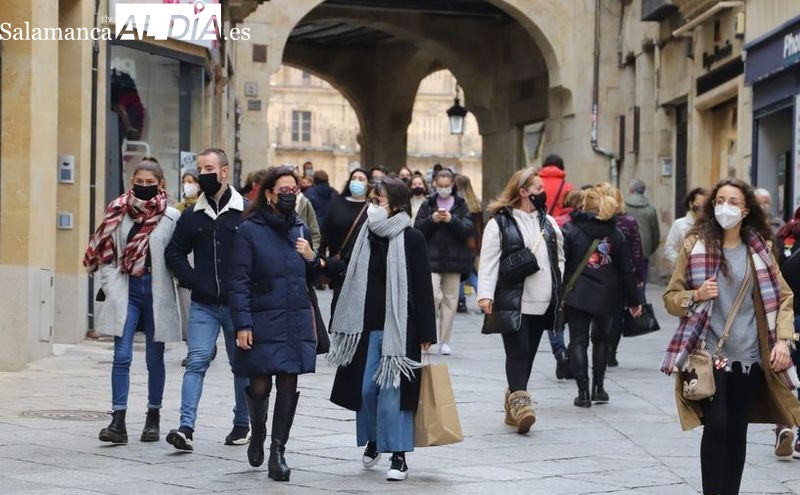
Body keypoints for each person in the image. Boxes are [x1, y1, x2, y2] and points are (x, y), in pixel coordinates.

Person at [661, 178, 800, 495]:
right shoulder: (695, 245)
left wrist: (782, 340)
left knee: (737, 430)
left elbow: (783, 298)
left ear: (746, 208)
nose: (725, 206)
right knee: (718, 424)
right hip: (709, 354)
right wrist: (695, 295)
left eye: (733, 201)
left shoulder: (761, 250)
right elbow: (671, 298)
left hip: (750, 356)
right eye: (720, 200)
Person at [328, 177, 436, 481]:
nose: (372, 206)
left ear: (397, 205)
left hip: (400, 329)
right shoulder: (364, 236)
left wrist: (427, 333)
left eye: (378, 201)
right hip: (364, 327)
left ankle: (398, 455)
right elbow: (347, 273)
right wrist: (318, 264)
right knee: (365, 390)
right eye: (371, 201)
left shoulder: (412, 238)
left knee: (393, 393)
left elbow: (422, 286)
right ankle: (375, 438)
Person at [229, 165, 320, 481]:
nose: (289, 195)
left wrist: (311, 257)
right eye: (283, 190)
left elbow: (312, 277)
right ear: (268, 194)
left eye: (293, 190)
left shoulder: (300, 229)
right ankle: (258, 430)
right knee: (260, 382)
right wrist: (243, 324)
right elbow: (238, 281)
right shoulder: (249, 230)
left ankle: (277, 451)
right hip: (261, 317)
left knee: (288, 380)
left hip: (294, 317)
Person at [83, 157, 181, 444]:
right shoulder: (117, 212)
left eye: (151, 183)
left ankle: (153, 417)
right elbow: (105, 253)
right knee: (121, 356)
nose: (145, 187)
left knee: (155, 359)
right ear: (132, 183)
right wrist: (111, 285)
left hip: (158, 290)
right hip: (127, 289)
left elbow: (178, 258)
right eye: (140, 182)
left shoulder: (172, 217)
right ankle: (118, 420)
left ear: (161, 184)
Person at [164, 148, 251, 451]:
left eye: (209, 168)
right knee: (196, 362)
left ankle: (242, 424)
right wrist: (191, 279)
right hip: (203, 304)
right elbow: (173, 252)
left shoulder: (246, 212)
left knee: (241, 366)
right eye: (200, 168)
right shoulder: (192, 215)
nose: (203, 174)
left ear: (224, 172)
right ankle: (186, 427)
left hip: (238, 305)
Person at [477, 167, 564, 433]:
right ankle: (522, 404)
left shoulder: (549, 223)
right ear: (523, 191)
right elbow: (489, 261)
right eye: (538, 188)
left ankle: (513, 400)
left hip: (543, 299)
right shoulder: (499, 223)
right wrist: (485, 294)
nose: (543, 192)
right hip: (513, 299)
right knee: (517, 352)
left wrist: (557, 287)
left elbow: (559, 257)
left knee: (528, 354)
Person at [562, 186, 641, 408]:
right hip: (608, 295)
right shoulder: (615, 234)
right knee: (601, 340)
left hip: (578, 294)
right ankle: (599, 388)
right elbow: (627, 270)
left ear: (583, 205)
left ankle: (583, 392)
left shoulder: (571, 230)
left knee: (578, 340)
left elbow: (564, 265)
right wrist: (634, 301)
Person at [414, 169, 474, 355]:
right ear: (434, 185)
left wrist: (451, 220)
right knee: (431, 296)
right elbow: (418, 229)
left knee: (451, 300)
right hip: (430, 259)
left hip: (454, 259)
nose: (443, 189)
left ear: (453, 185)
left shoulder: (461, 204)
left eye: (447, 186)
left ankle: (445, 341)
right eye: (440, 186)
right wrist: (432, 220)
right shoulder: (428, 204)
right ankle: (427, 336)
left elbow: (467, 229)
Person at [598, 183, 645, 368]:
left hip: (600, 272)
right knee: (618, 313)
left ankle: (601, 348)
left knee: (603, 313)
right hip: (622, 274)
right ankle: (611, 352)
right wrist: (639, 277)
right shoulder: (629, 222)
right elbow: (637, 251)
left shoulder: (596, 221)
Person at [319, 168, 370, 311]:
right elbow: (325, 232)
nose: (357, 181)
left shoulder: (371, 207)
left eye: (361, 179)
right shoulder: (337, 203)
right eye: (354, 178)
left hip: (362, 265)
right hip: (339, 264)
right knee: (339, 306)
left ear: (368, 184)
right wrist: (321, 258)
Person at [772, 206, 800, 458]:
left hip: (789, 316)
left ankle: (783, 425)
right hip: (791, 315)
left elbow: (777, 278)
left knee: (787, 377)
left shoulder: (783, 235)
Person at [455, 174, 483, 314]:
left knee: (461, 274)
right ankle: (482, 297)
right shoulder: (475, 202)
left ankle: (461, 301)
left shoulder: (458, 203)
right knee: (471, 272)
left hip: (461, 243)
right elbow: (480, 228)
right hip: (474, 243)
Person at [624, 179, 660, 289]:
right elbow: (655, 233)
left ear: (631, 190)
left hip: (625, 248)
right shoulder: (650, 208)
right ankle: (640, 302)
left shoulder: (623, 206)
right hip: (644, 249)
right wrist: (650, 249)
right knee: (641, 282)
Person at [664, 187, 708, 269]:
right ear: (691, 204)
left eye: (704, 205)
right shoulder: (679, 224)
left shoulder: (709, 225)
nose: (701, 208)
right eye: (698, 204)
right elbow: (669, 248)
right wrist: (680, 262)